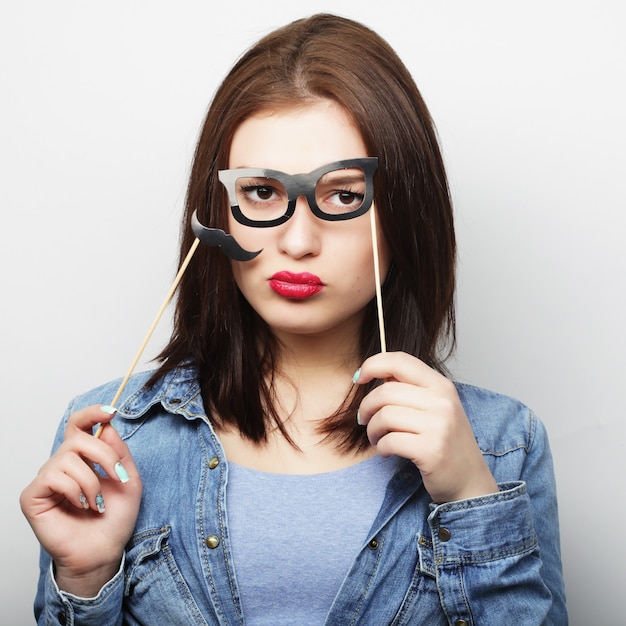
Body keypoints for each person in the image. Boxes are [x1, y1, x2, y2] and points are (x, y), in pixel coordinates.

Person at [20, 13, 567, 625]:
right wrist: (87, 578)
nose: (298, 241)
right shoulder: (113, 443)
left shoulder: (500, 445)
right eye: (260, 193)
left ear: (406, 213)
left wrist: (470, 500)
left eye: (342, 195)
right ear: (217, 214)